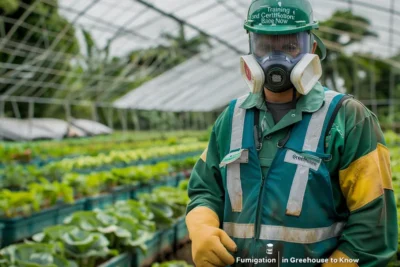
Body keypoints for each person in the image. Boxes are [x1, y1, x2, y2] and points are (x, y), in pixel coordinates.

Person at [185, 0, 398, 266]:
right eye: (264, 46)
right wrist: (201, 227)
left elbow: (372, 228)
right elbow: (206, 188)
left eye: (290, 46)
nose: (276, 58)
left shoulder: (348, 119)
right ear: (251, 48)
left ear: (313, 49)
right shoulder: (232, 117)